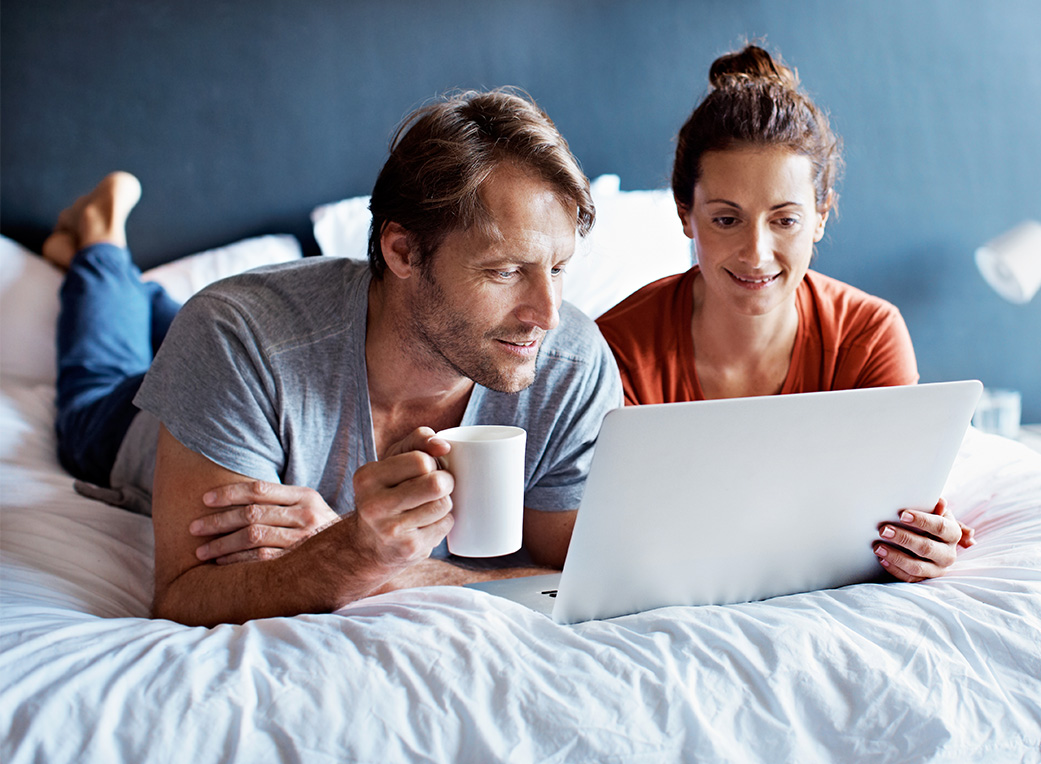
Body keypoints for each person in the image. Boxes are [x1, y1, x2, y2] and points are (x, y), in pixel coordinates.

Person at [44, 89, 623, 626]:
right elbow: (183, 597)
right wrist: (355, 549)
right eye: (504, 272)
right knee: (95, 388)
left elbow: (590, 583)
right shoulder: (233, 336)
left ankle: (139, 291)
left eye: (557, 268)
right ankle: (100, 241)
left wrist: (373, 562)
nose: (547, 315)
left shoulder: (569, 364)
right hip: (130, 423)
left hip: (274, 344)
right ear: (403, 250)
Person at [596, 45, 974, 583]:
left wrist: (921, 542)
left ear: (821, 216)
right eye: (726, 219)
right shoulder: (616, 348)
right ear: (685, 216)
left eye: (785, 220)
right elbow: (613, 533)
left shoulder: (868, 335)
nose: (756, 253)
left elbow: (895, 513)